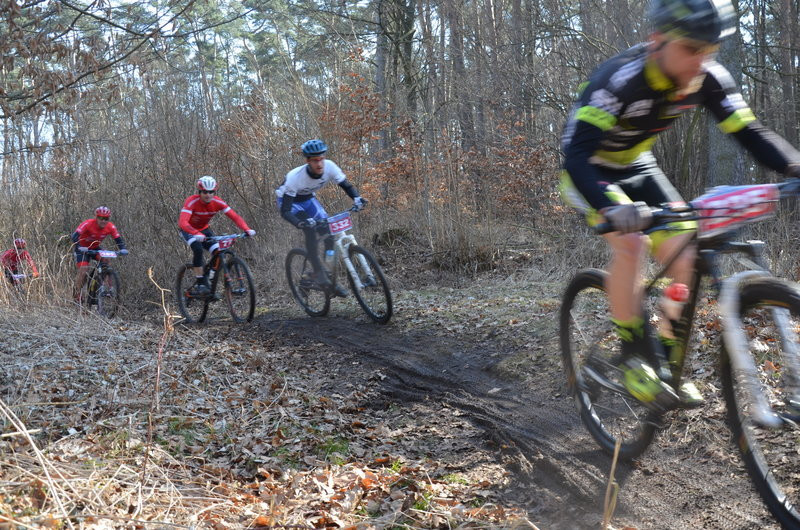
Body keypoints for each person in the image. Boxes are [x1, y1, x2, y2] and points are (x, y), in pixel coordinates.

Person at [560, 0, 800, 410]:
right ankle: (635, 355)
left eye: (710, 51)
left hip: (637, 163)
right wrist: (613, 209)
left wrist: (794, 165)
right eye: (691, 49)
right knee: (631, 244)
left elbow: (749, 132)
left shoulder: (708, 78)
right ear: (658, 41)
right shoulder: (619, 81)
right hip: (590, 168)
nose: (701, 62)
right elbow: (577, 154)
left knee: (684, 253)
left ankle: (667, 367)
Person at [276, 139, 366, 298]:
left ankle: (327, 273)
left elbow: (347, 186)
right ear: (308, 161)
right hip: (289, 203)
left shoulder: (330, 166)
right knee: (310, 231)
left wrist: (357, 198)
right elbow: (285, 211)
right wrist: (300, 223)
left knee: (329, 234)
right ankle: (319, 273)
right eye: (315, 160)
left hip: (308, 200)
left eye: (321, 158)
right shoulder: (295, 178)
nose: (319, 164)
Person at [179, 176, 256, 295]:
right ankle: (200, 283)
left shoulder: (217, 202)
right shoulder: (192, 201)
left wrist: (247, 229)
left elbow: (234, 216)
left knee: (219, 252)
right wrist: (195, 233)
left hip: (204, 230)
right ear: (200, 191)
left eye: (211, 192)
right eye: (205, 192)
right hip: (189, 230)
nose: (208, 195)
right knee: (198, 249)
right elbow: (183, 222)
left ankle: (210, 278)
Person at [72, 207, 128, 302]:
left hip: (95, 248)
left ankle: (107, 287)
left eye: (106, 219)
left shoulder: (110, 226)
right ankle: (77, 293)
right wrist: (79, 246)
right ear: (96, 217)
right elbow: (74, 236)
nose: (103, 221)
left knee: (106, 260)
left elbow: (118, 240)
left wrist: (122, 249)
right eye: (100, 218)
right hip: (82, 249)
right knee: (84, 270)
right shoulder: (88, 223)